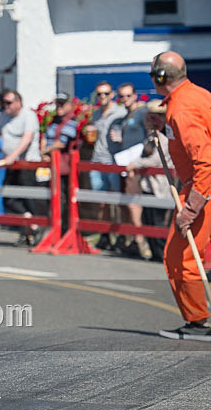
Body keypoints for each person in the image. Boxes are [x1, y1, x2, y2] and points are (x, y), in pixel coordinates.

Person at [149, 51, 211, 341]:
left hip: (202, 188)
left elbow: (205, 162)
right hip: (200, 186)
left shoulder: (182, 108)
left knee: (179, 258)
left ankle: (198, 323)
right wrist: (162, 128)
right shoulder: (196, 95)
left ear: (161, 78)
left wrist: (191, 208)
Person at [125, 99, 172, 260]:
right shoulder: (151, 136)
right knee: (148, 219)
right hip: (148, 184)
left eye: (156, 115)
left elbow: (156, 159)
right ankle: (154, 252)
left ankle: (162, 253)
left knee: (158, 221)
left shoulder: (164, 137)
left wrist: (136, 164)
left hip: (160, 185)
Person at [0, 89, 44, 246]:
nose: (6, 105)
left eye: (9, 102)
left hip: (27, 164)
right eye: (3, 103)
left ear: (18, 102)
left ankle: (31, 230)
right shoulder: (4, 116)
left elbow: (27, 138)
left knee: (28, 199)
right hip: (12, 165)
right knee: (8, 198)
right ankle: (32, 226)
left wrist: (13, 156)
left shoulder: (28, 115)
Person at [110, 83, 149, 256]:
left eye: (128, 96)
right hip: (125, 164)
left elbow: (149, 137)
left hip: (135, 166)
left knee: (133, 202)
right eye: (122, 96)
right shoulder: (126, 116)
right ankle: (132, 239)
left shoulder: (142, 112)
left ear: (135, 96)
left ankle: (141, 241)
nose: (125, 99)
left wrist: (139, 162)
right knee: (125, 202)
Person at [86, 81, 126, 250]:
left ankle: (122, 236)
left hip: (113, 160)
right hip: (97, 160)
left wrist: (122, 138)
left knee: (118, 201)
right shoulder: (96, 114)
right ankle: (104, 235)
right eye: (99, 94)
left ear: (112, 95)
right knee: (101, 201)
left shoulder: (120, 112)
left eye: (106, 93)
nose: (102, 96)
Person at [41, 92, 80, 229]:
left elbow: (62, 143)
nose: (59, 107)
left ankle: (63, 228)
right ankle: (52, 226)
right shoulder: (54, 121)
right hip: (50, 164)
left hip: (64, 167)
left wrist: (45, 150)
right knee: (50, 195)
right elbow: (45, 136)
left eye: (62, 104)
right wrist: (43, 152)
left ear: (69, 105)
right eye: (57, 104)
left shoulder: (72, 122)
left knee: (63, 197)